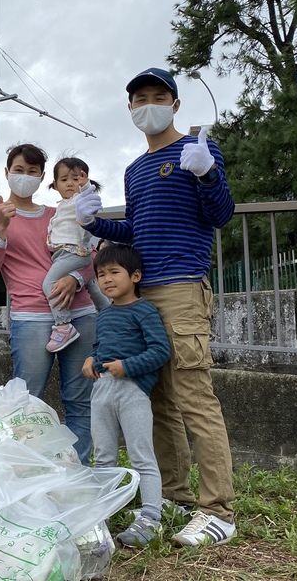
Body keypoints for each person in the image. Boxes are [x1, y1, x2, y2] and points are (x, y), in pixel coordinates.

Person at [75, 67, 237, 546]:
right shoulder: (135, 169)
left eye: (157, 96)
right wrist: (98, 224)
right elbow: (139, 233)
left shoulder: (197, 153)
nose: (148, 104)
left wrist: (207, 174)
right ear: (129, 109)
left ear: (175, 104)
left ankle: (218, 510)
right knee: (158, 401)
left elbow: (220, 214)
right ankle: (175, 495)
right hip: (143, 295)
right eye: (139, 98)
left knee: (194, 398)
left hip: (183, 288)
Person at [0, 143, 96, 464]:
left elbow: (90, 255)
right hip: (31, 318)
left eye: (32, 172)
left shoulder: (61, 212)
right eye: (19, 170)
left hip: (80, 311)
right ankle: (27, 473)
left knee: (80, 402)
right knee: (25, 403)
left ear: (44, 179)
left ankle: (77, 474)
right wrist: (2, 227)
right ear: (7, 173)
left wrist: (76, 280)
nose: (25, 176)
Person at [81, 243, 170, 547]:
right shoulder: (105, 315)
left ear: (135, 276)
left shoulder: (144, 310)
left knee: (141, 456)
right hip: (102, 390)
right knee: (103, 457)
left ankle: (150, 518)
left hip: (133, 391)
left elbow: (160, 350)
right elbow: (100, 346)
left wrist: (128, 367)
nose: (106, 279)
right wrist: (91, 359)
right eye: (101, 274)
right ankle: (99, 517)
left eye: (114, 272)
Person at [43, 157, 110, 352]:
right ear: (55, 185)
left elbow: (90, 201)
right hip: (67, 253)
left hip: (73, 252)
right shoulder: (62, 205)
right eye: (64, 180)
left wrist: (86, 186)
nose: (70, 183)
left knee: (48, 284)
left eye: (76, 178)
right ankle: (110, 312)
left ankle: (63, 326)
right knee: (91, 287)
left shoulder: (80, 200)